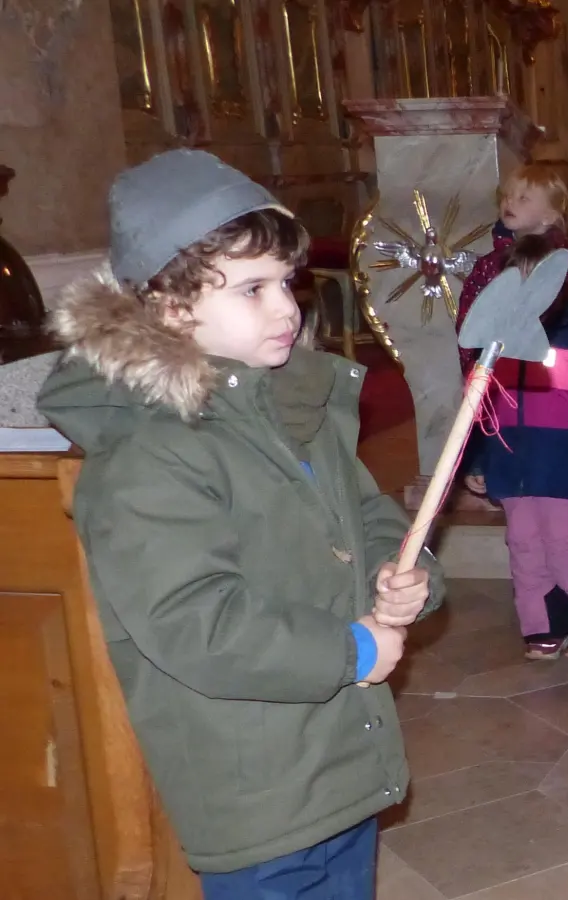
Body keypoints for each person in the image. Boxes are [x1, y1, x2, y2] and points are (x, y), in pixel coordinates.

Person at [35, 149, 445, 895]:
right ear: (169, 304)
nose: (288, 307)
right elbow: (196, 622)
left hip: (339, 760)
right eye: (253, 289)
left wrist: (402, 572)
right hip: (254, 791)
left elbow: (362, 511)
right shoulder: (147, 454)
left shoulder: (291, 406)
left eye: (286, 283)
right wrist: (350, 650)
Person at [457, 165, 568, 660]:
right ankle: (540, 627)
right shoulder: (495, 353)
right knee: (525, 551)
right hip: (513, 469)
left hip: (561, 467)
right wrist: (478, 464)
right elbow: (480, 412)